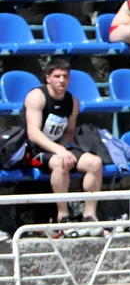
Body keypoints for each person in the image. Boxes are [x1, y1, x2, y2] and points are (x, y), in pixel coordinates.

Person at [20, 58, 104, 233]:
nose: (61, 80)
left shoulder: (72, 101)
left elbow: (69, 131)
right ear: (48, 78)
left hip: (59, 148)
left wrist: (63, 147)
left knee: (94, 163)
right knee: (61, 163)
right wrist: (59, 150)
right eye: (57, 76)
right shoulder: (37, 96)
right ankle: (63, 214)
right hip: (34, 150)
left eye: (65, 76)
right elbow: (33, 133)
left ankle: (89, 216)